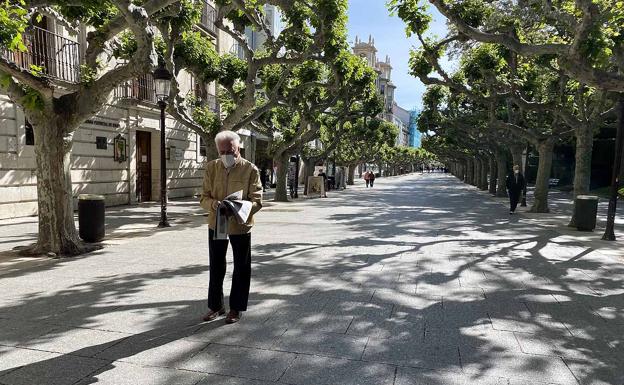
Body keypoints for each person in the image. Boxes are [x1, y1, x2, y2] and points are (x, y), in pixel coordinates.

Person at [200, 131, 263, 324]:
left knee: (241, 267)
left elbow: (257, 201)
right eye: (223, 151)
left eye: (231, 150)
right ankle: (216, 306)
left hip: (240, 225)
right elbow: (204, 197)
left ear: (238, 148)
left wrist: (240, 208)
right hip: (216, 223)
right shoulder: (211, 168)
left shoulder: (250, 169)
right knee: (216, 265)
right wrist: (213, 205)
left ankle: (236, 308)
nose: (227, 154)